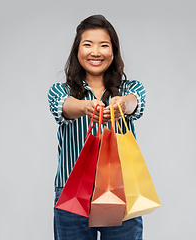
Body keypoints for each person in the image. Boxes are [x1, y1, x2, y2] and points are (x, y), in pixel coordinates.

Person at [48, 14, 146, 240]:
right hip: (72, 189)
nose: (95, 52)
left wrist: (123, 103)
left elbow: (135, 102)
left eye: (104, 45)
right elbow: (64, 106)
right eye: (88, 44)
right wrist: (85, 107)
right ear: (77, 51)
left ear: (113, 51)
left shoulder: (129, 89)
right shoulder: (60, 91)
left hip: (120, 189)